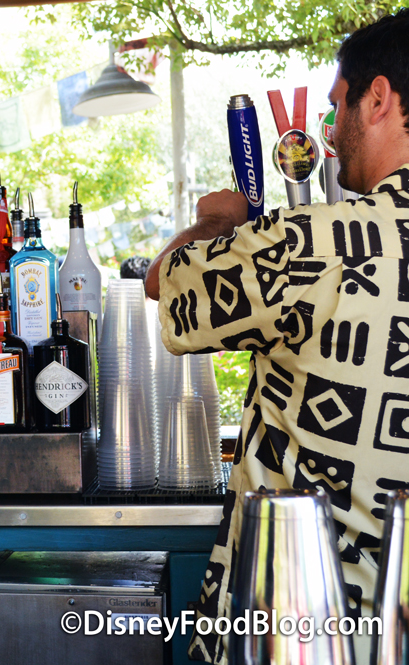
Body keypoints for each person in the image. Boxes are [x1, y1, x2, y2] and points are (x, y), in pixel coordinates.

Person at [144, 10, 409, 664]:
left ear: (378, 99)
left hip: (307, 626)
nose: (332, 131)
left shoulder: (323, 242)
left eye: (338, 106)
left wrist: (216, 221)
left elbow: (167, 284)